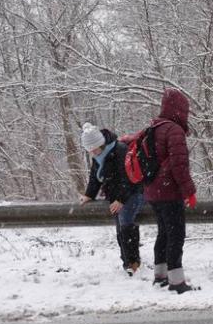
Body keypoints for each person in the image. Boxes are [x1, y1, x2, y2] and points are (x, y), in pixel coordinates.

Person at [144, 88, 198, 293]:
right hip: (169, 192)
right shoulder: (174, 130)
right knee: (175, 235)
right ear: (179, 110)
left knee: (163, 233)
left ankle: (160, 275)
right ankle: (177, 282)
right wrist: (189, 192)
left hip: (153, 192)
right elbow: (179, 166)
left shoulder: (154, 127)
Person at [80, 123, 144, 276]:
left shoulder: (120, 150)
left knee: (126, 224)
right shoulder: (98, 156)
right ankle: (127, 262)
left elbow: (127, 178)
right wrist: (89, 195)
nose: (93, 152)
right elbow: (95, 178)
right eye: (90, 150)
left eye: (94, 148)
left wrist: (121, 199)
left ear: (101, 143)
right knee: (120, 228)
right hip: (116, 195)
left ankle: (133, 263)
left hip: (133, 192)